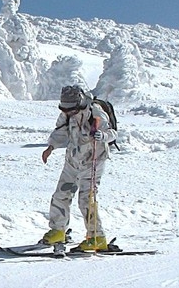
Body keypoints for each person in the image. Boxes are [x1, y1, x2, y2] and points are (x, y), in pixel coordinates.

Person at [39, 85, 119, 251]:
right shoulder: (67, 114)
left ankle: (97, 237)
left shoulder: (95, 113)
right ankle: (58, 230)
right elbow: (60, 131)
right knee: (61, 195)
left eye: (70, 109)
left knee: (86, 199)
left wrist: (103, 136)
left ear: (79, 104)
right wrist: (51, 147)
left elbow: (112, 133)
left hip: (93, 162)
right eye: (64, 109)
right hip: (73, 160)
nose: (67, 113)